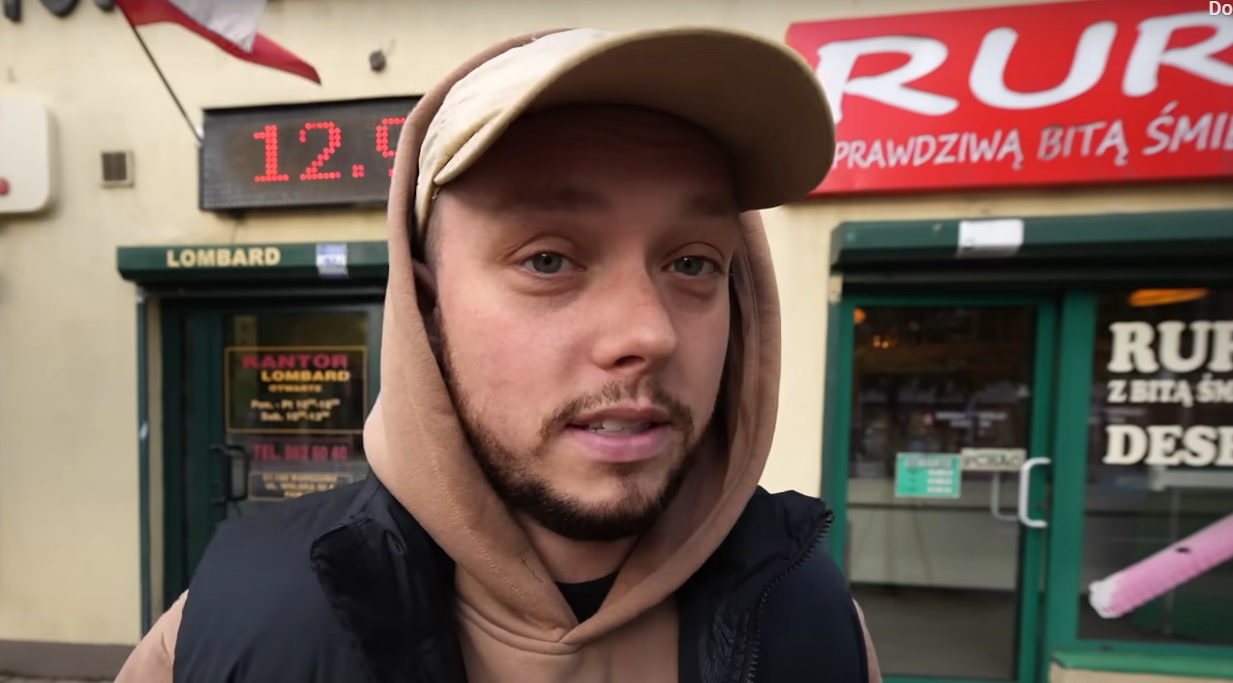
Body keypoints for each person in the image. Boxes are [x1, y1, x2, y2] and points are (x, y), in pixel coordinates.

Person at [116, 26, 882, 683]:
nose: (649, 334)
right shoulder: (232, 632)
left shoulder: (813, 621)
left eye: (691, 263)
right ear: (425, 310)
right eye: (547, 260)